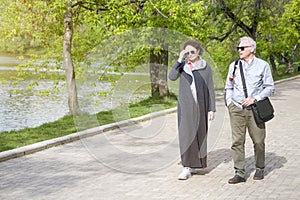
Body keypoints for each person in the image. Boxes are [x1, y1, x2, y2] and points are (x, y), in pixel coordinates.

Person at [224, 36, 274, 184]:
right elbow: (229, 86)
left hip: (255, 109)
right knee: (237, 141)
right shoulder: (234, 65)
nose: (239, 50)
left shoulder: (262, 65)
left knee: (258, 141)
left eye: (242, 48)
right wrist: (229, 103)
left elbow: (270, 87)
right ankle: (239, 172)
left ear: (251, 49)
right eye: (238, 48)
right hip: (237, 108)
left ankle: (259, 168)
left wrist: (255, 98)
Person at [169, 40, 216, 180]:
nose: (189, 55)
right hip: (185, 108)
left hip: (201, 106)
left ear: (199, 52)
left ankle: (196, 164)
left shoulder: (205, 67)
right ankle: (186, 166)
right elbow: (171, 77)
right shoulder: (182, 66)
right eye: (187, 52)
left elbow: (210, 89)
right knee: (186, 135)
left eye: (192, 52)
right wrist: (179, 59)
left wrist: (211, 108)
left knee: (199, 134)